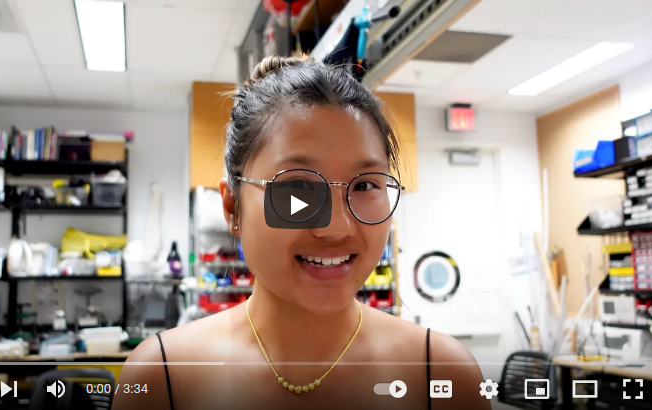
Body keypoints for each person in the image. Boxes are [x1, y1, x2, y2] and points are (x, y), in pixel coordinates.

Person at [113, 55, 491, 410]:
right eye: (297, 187)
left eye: (364, 186)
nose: (336, 227)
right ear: (232, 208)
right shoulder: (162, 376)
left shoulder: (442, 374)